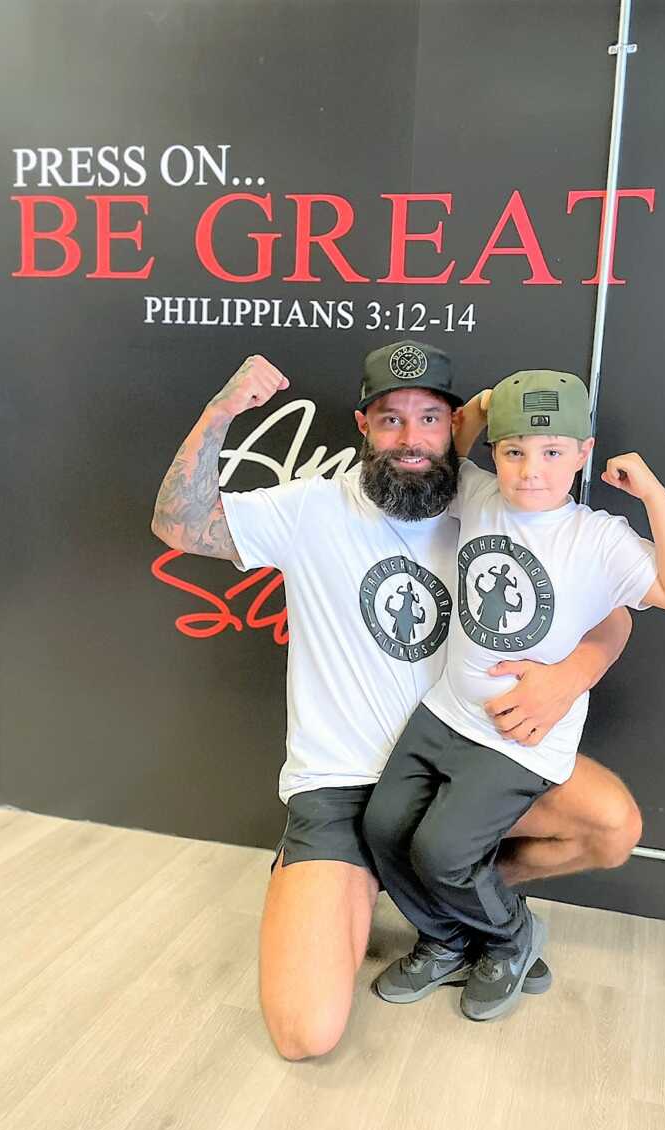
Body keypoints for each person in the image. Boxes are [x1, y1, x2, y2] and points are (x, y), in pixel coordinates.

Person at [151, 343, 636, 1060]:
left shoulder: (499, 502)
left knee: (612, 825)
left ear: (457, 427)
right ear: (363, 426)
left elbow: (613, 612)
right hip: (341, 787)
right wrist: (221, 411)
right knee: (304, 1032)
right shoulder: (313, 509)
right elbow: (177, 523)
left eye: (430, 418)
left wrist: (572, 674)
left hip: (466, 766)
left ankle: (447, 898)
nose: (411, 438)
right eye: (391, 420)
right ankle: (345, 878)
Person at [363, 370, 665, 1022]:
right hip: (447, 712)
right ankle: (445, 940)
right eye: (515, 449)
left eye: (553, 452)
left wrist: (653, 492)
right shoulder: (483, 494)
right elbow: (442, 453)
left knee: (442, 851)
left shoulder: (598, 538)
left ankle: (510, 937)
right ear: (494, 452)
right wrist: (481, 411)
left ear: (584, 452)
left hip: (521, 737)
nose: (530, 470)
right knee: (384, 829)